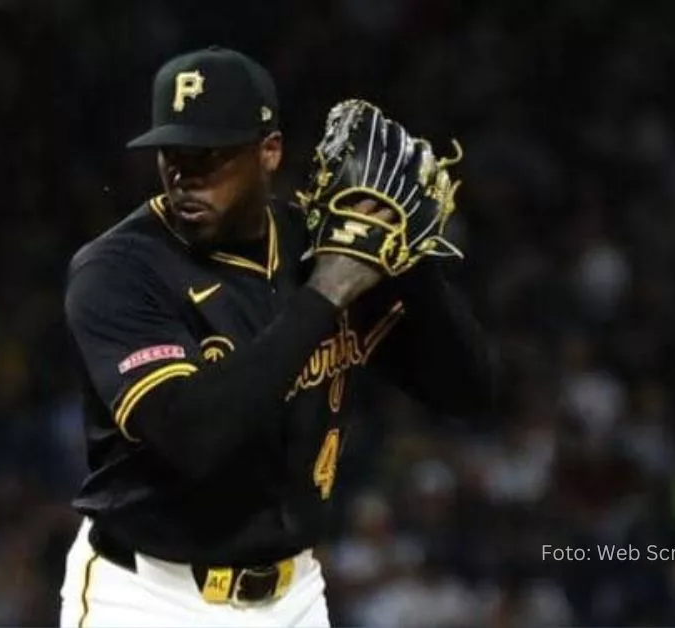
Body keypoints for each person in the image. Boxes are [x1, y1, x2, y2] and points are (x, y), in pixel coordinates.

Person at [59, 46, 494, 627]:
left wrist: (410, 262)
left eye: (208, 156)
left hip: (294, 595)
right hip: (149, 595)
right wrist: (326, 294)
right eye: (173, 155)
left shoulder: (315, 247)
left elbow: (467, 392)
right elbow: (193, 434)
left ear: (269, 152)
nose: (186, 177)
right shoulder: (119, 270)